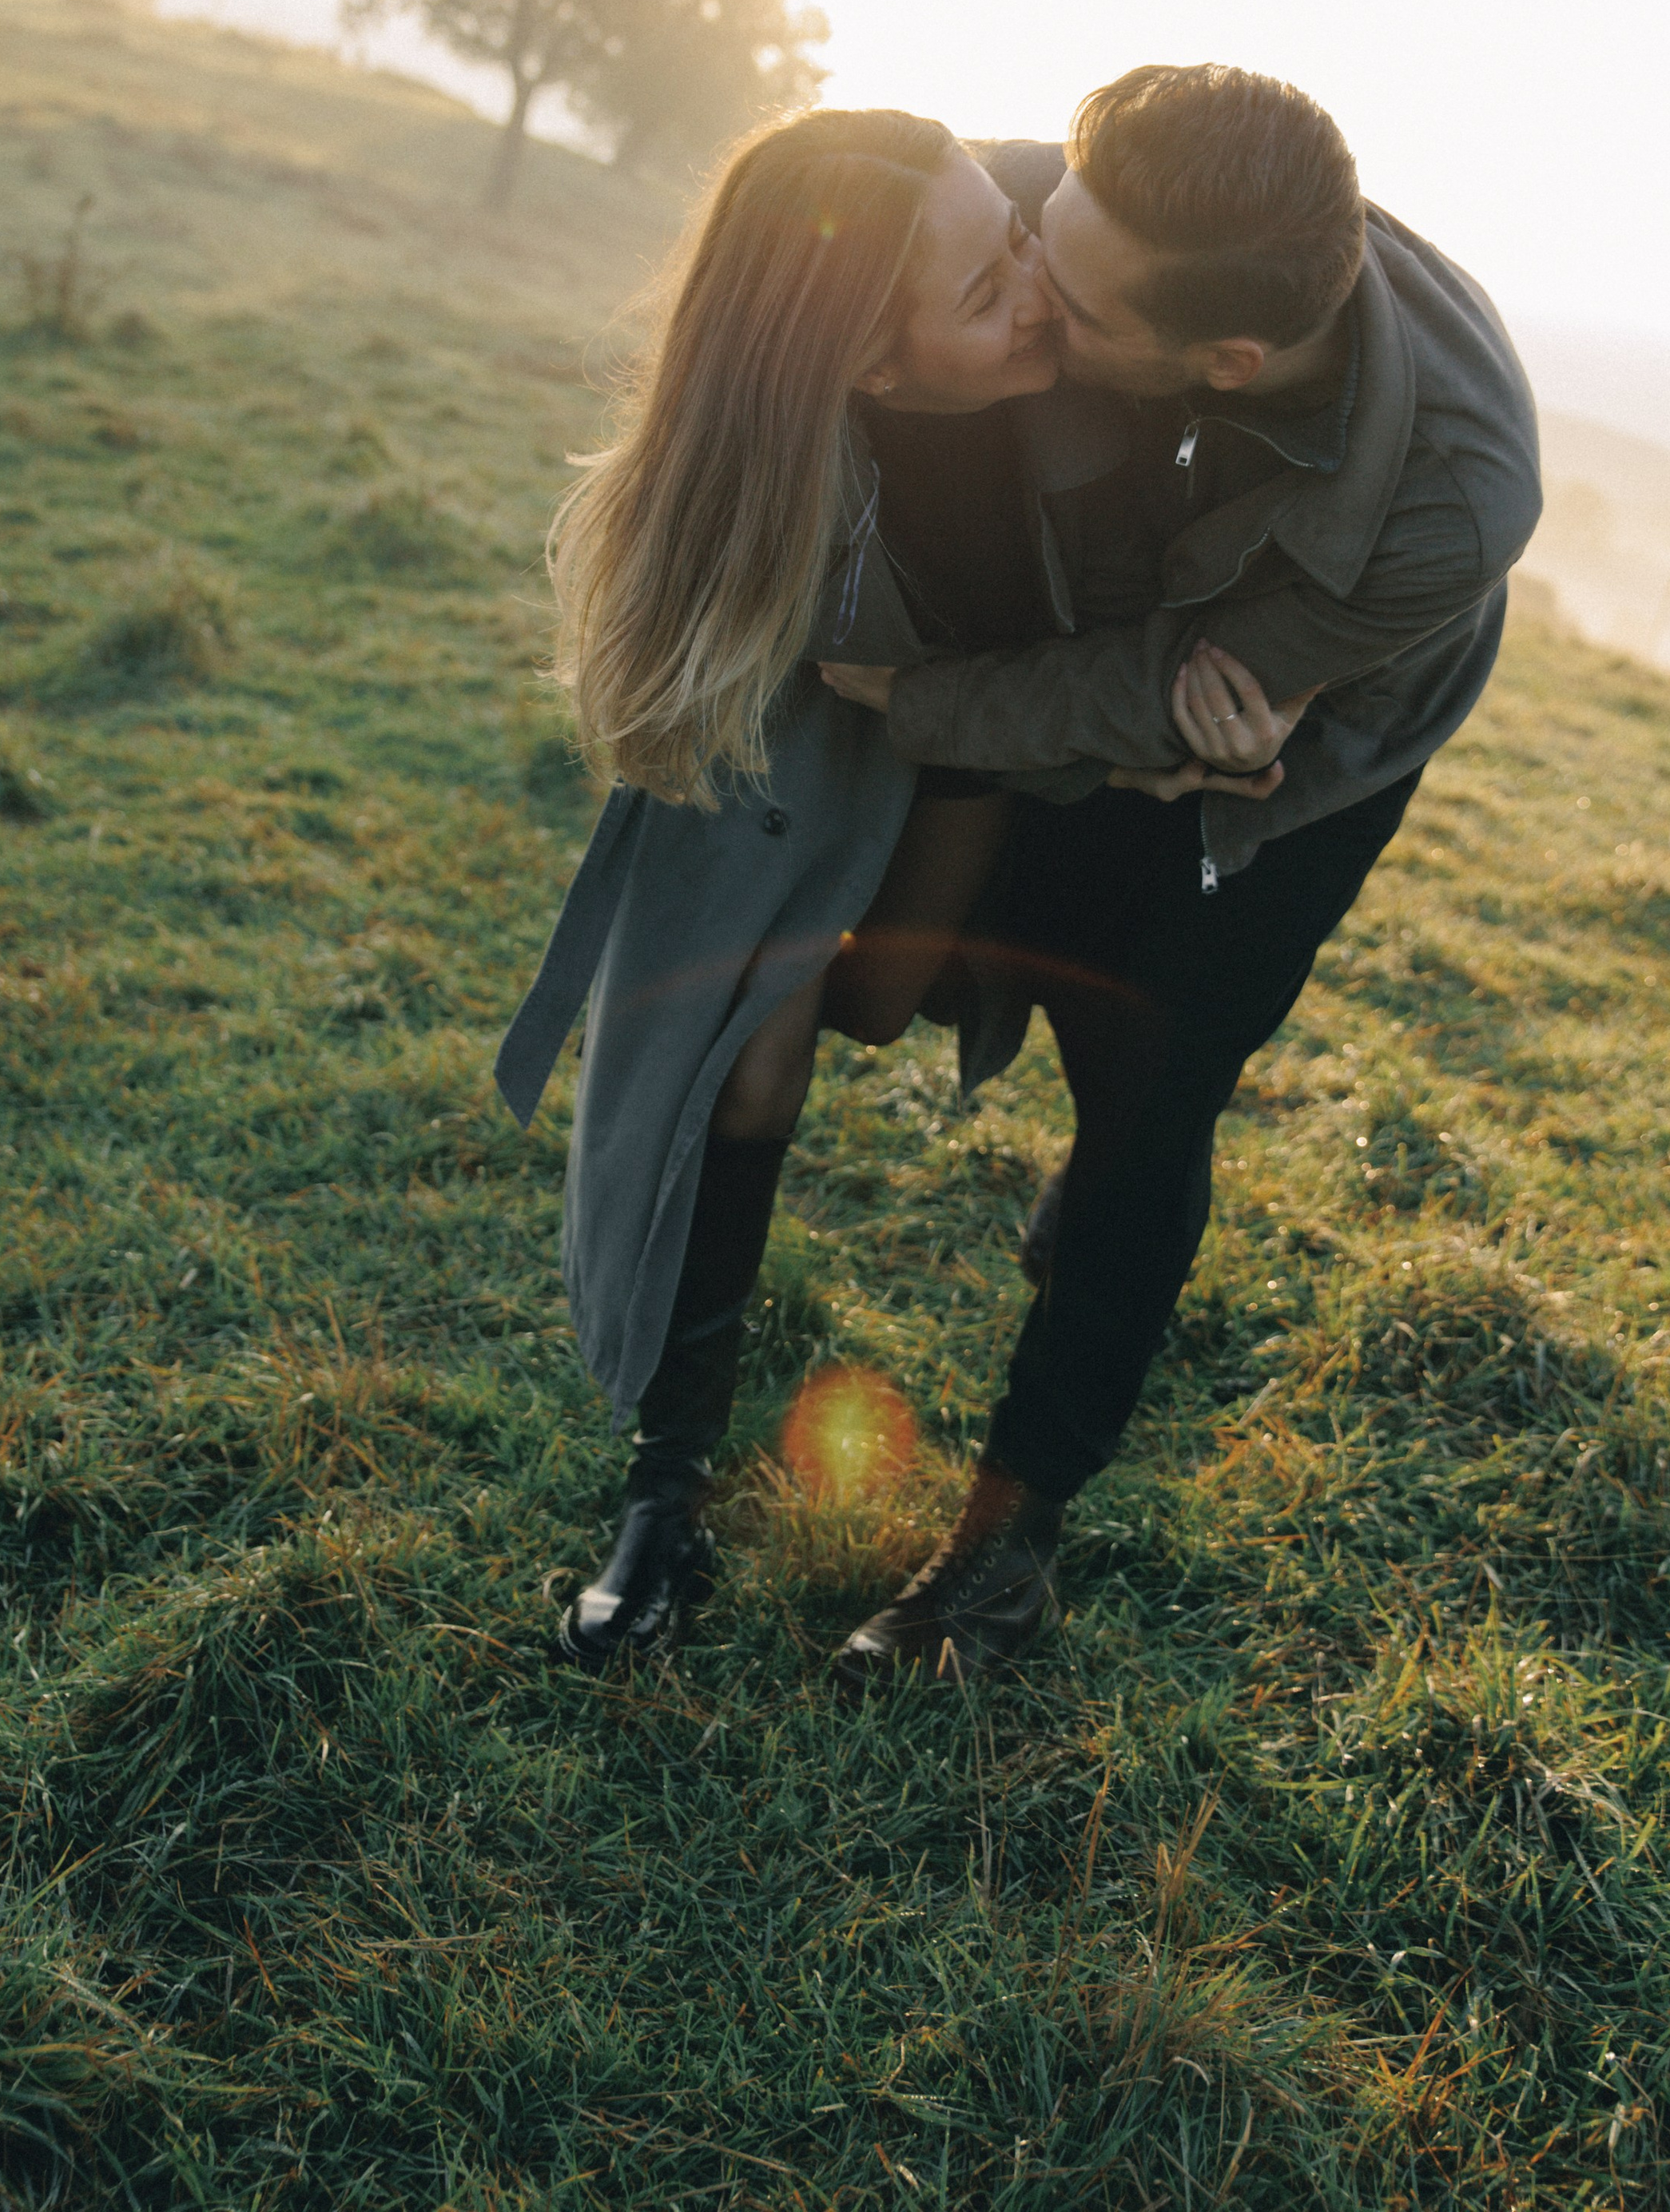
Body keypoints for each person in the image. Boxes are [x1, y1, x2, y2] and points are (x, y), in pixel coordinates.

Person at [494, 105, 1273, 1670]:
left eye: (1016, 244)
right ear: (867, 365)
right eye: (989, 295)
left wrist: (1218, 720)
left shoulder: (1050, 261)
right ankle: (665, 1494)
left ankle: (1013, 1534)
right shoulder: (767, 482)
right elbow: (682, 728)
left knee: (957, 1020)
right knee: (752, 1041)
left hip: (1021, 742)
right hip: (868, 721)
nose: (1039, 291)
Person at [819, 62, 1541, 1692]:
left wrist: (904, 701)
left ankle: (1002, 1556)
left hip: (1308, 761)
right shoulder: (1075, 217)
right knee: (1021, 923)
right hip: (1121, 639)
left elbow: (1183, 707)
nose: (1024, 287)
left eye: (1058, 291)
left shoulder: (1453, 495)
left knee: (1156, 1088)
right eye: (1027, 230)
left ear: (1220, 358)